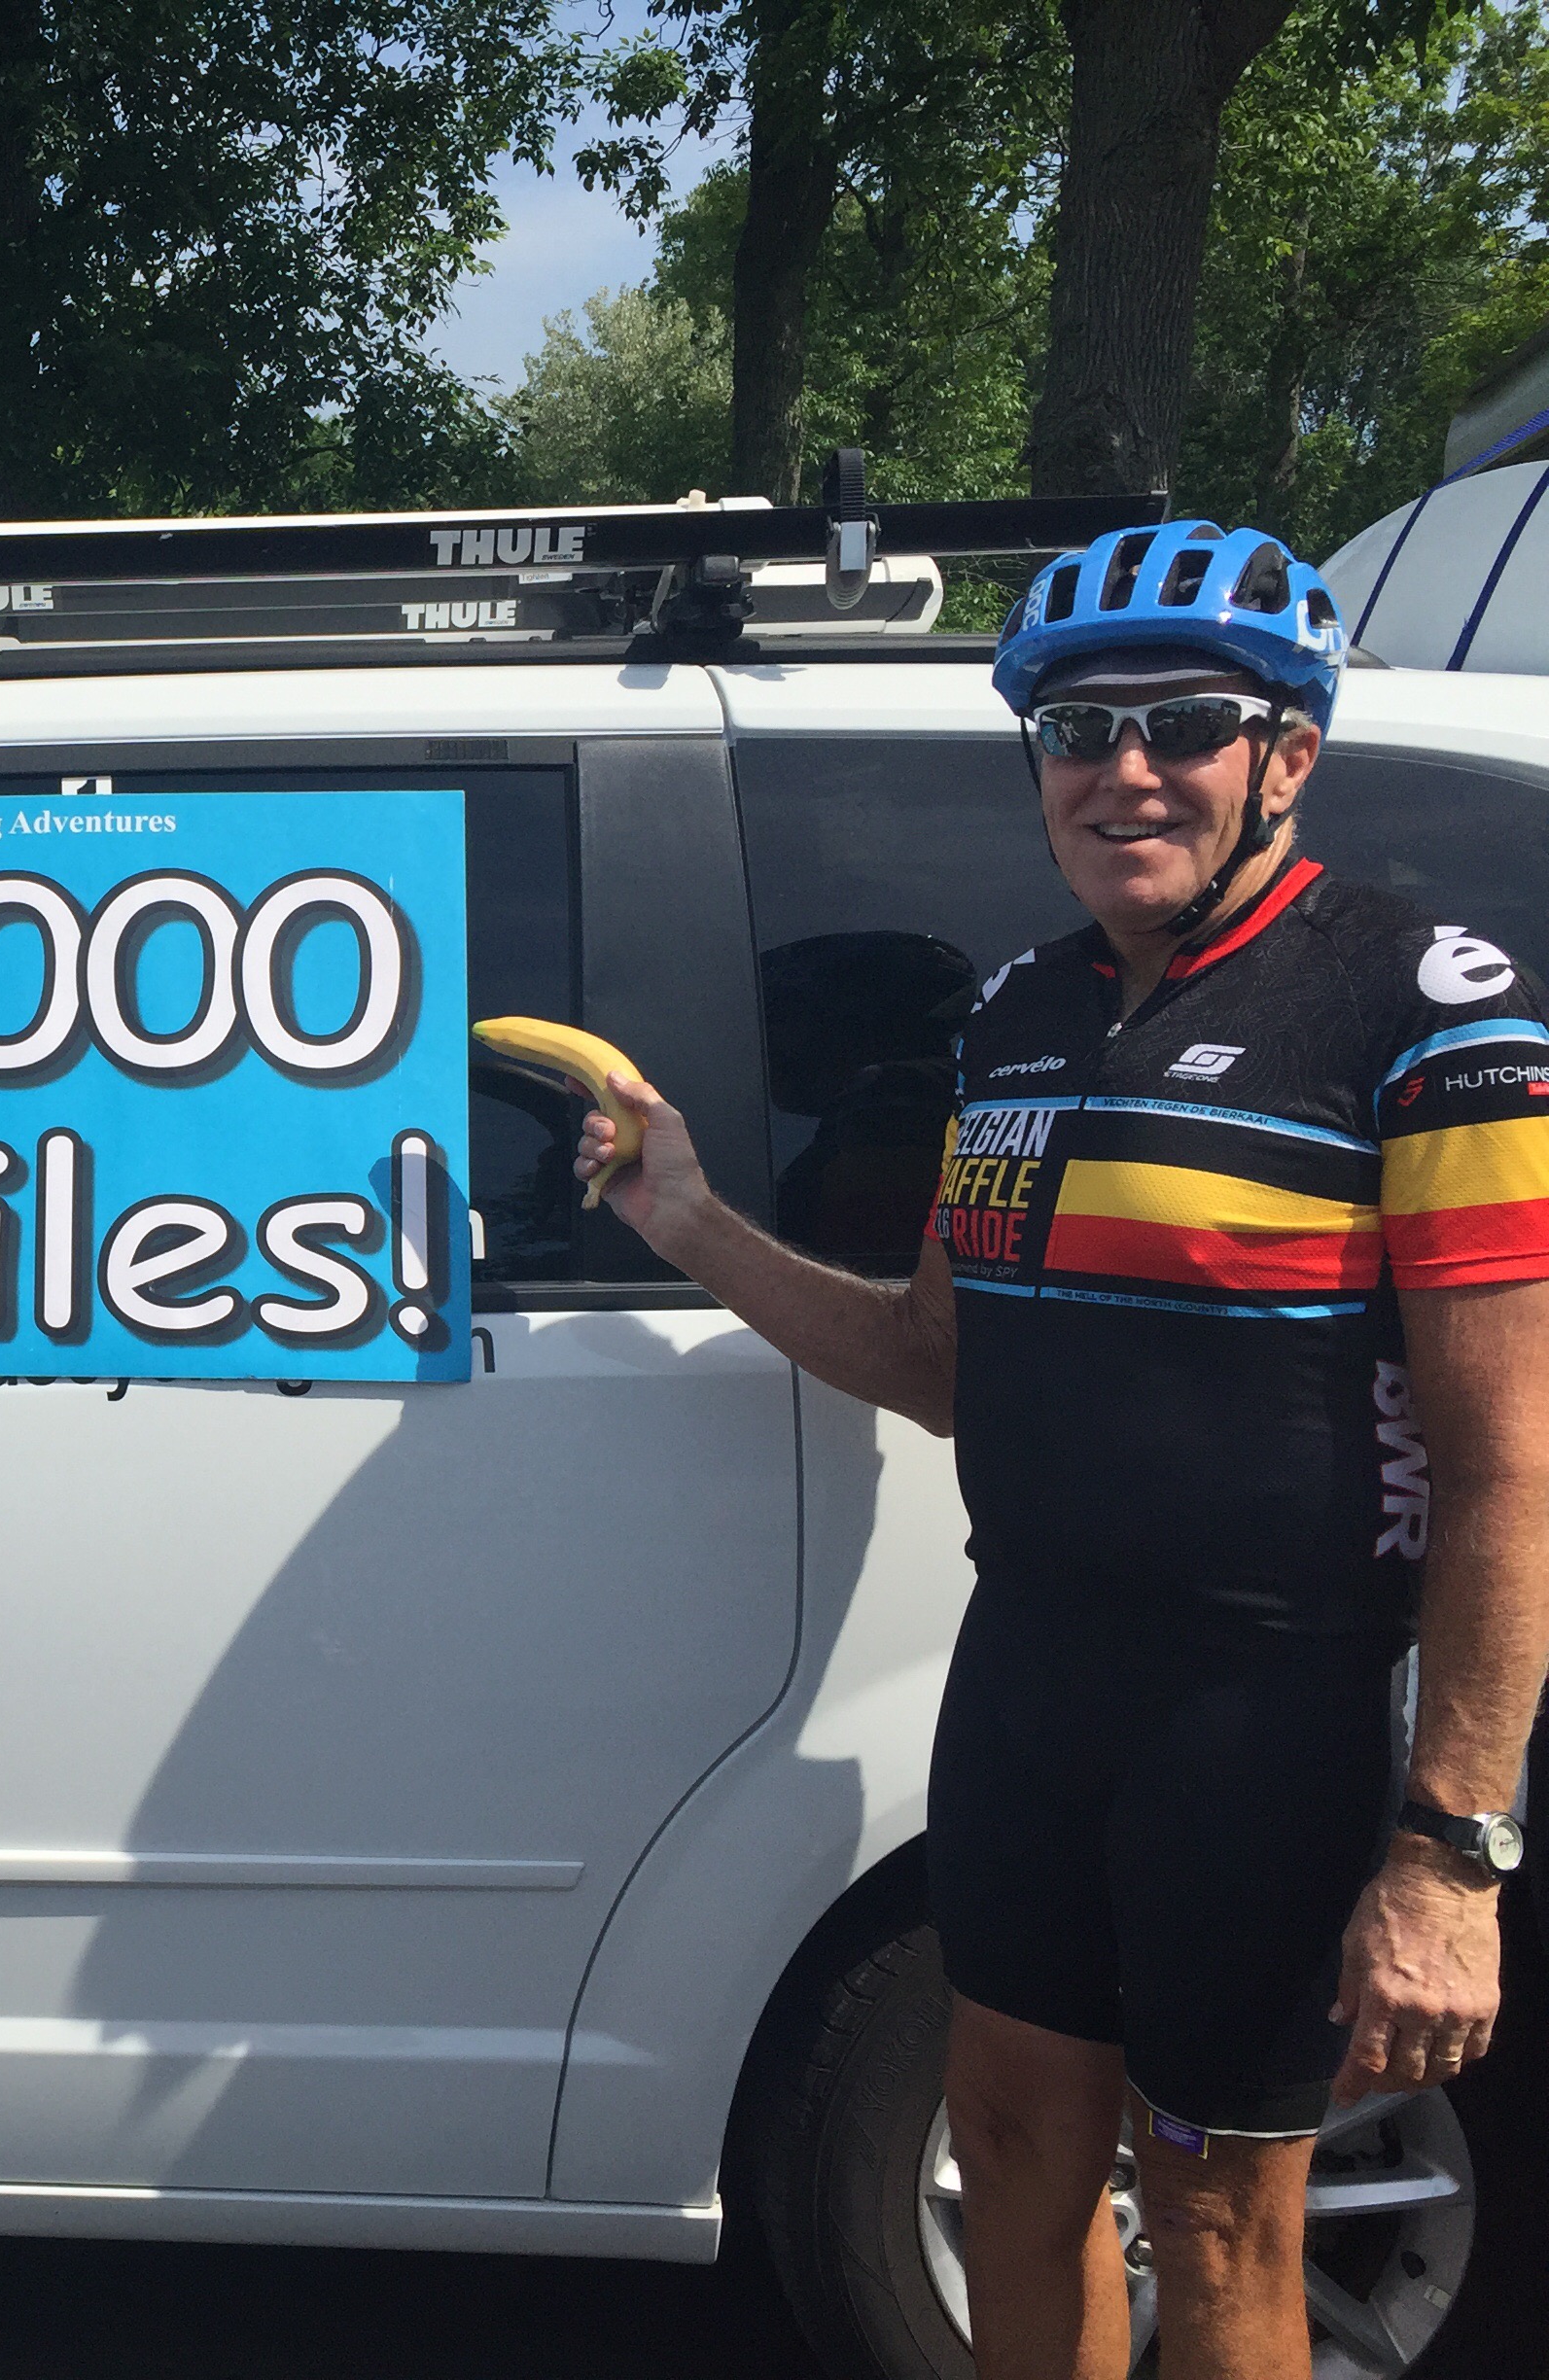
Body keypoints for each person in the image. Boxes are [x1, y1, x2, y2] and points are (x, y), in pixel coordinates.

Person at [577, 522, 1549, 2378]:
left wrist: (1451, 1855)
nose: (1125, 772)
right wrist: (689, 1219)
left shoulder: (1422, 1008)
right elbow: (939, 1365)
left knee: (1219, 2220)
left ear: (1288, 754)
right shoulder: (1019, 1016)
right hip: (1025, 1679)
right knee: (1016, 2154)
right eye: (1078, 732)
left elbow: (1513, 1468)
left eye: (1184, 725)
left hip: (1264, 1715)